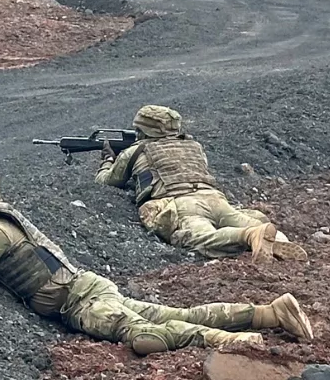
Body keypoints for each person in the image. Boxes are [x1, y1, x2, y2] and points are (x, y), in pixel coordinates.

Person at [0, 168, 314, 355]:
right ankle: (267, 314)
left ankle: (233, 340)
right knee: (178, 313)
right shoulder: (0, 221)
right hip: (88, 288)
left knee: (147, 337)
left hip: (80, 303)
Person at [96, 105, 306, 262]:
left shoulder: (136, 150)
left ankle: (250, 236)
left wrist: (107, 160)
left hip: (181, 204)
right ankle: (278, 240)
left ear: (143, 131)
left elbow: (107, 181)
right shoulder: (194, 146)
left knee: (201, 238)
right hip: (214, 198)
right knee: (243, 219)